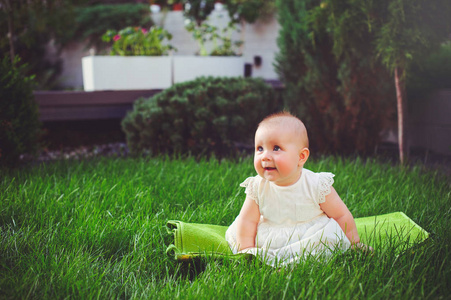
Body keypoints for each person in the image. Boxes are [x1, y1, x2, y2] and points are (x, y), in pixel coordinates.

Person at [225, 111, 368, 266]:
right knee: (247, 237)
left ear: (301, 157)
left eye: (276, 148)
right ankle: (273, 263)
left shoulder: (316, 184)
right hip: (272, 235)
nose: (265, 156)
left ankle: (292, 266)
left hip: (310, 236)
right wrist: (247, 250)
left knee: (322, 247)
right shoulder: (257, 186)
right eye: (259, 148)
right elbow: (247, 221)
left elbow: (341, 215)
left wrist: (354, 243)